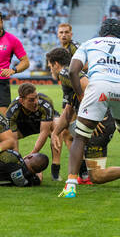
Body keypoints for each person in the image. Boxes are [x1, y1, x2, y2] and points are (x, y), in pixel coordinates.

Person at [52, 18, 120, 198]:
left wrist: (81, 96)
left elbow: (74, 71)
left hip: (98, 88)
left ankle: (71, 185)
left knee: (80, 138)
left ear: (102, 32)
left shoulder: (89, 43)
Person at [47, 47, 116, 185]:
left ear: (55, 64)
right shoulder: (68, 78)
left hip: (101, 121)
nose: (50, 70)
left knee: (97, 176)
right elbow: (68, 111)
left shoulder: (65, 73)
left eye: (50, 66)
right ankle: (82, 174)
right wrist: (55, 133)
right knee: (68, 133)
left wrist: (92, 117)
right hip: (102, 119)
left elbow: (89, 87)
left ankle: (81, 174)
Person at [6, 83, 57, 157]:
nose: (36, 102)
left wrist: (32, 154)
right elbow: (13, 138)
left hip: (44, 123)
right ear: (21, 101)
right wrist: (18, 161)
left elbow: (44, 132)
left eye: (37, 97)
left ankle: (56, 165)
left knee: (58, 126)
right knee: (3, 137)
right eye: (31, 100)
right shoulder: (13, 109)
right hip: (24, 126)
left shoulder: (46, 102)